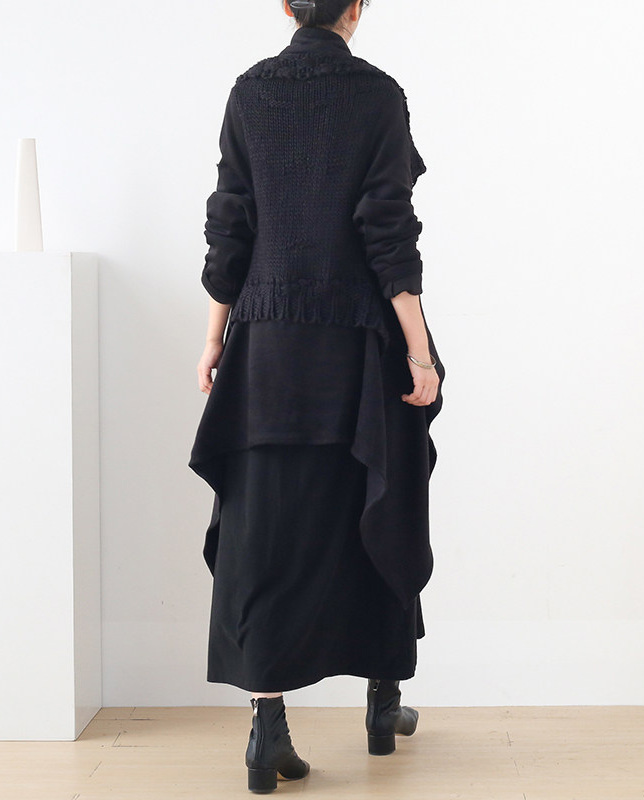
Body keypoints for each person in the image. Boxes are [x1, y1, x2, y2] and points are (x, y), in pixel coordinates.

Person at [187, 0, 446, 792]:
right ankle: (382, 703)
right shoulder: (379, 95)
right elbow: (388, 230)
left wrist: (214, 338)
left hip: (266, 346)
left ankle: (267, 732)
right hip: (359, 345)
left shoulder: (249, 92)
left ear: (286, 5)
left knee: (262, 527)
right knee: (381, 500)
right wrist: (419, 349)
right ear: (357, 7)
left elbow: (230, 225)